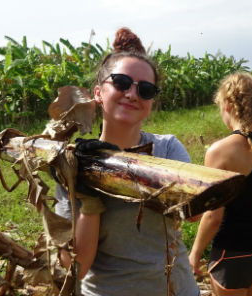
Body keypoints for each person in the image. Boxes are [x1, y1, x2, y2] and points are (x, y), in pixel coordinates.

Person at [54, 27, 200, 296]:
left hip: (175, 289)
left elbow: (195, 213)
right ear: (98, 92)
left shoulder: (167, 148)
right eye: (121, 82)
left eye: (145, 89)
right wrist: (89, 197)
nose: (132, 94)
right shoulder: (73, 163)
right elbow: (76, 267)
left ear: (151, 101)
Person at [188, 72, 252, 296]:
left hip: (232, 255)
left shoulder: (220, 151)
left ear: (227, 105)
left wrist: (195, 253)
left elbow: (213, 216)